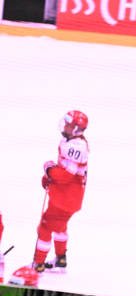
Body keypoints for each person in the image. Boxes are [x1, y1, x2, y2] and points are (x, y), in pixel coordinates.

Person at [9, 110, 86, 286]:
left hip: (66, 197)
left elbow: (67, 175)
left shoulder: (76, 147)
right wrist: (51, 178)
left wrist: (49, 169)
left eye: (68, 124)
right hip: (68, 196)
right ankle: (61, 259)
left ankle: (38, 264)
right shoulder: (71, 141)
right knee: (60, 225)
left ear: (75, 129)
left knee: (45, 226)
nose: (64, 125)